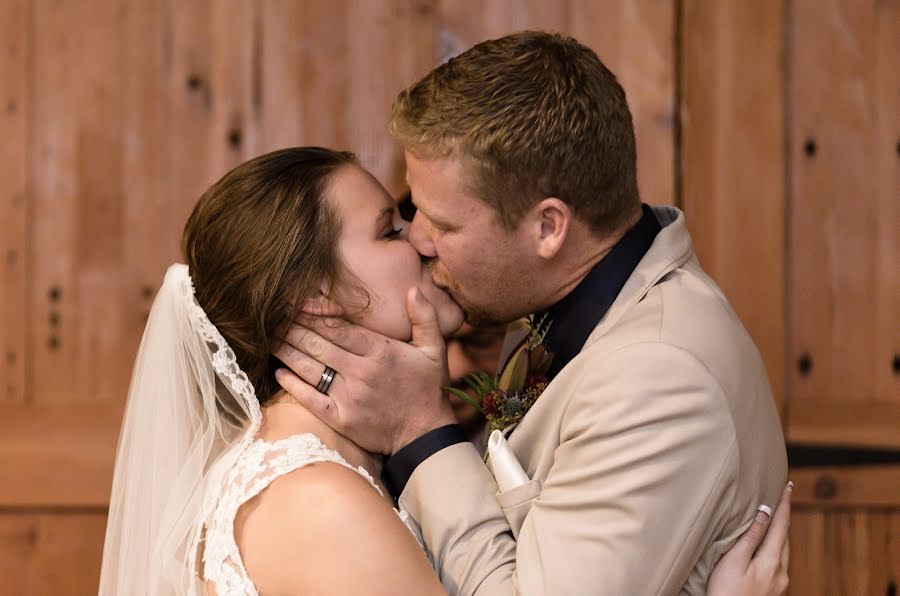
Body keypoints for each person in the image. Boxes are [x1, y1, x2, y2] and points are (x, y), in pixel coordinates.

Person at [99, 147, 789, 595]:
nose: (423, 243)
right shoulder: (318, 503)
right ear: (315, 299)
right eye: (391, 230)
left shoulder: (334, 474)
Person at [275, 31, 789, 594]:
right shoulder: (547, 306)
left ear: (548, 227)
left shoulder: (658, 375)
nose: (418, 240)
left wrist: (419, 430)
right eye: (411, 214)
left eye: (443, 224)